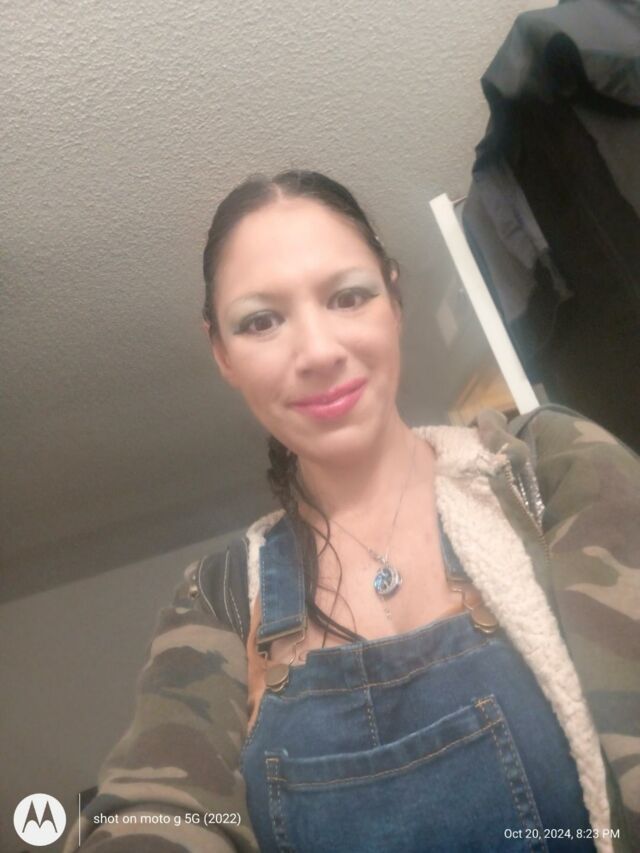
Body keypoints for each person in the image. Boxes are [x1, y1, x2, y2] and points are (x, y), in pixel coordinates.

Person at [64, 170, 639, 853]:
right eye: (261, 321)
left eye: (348, 297)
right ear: (221, 352)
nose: (317, 351)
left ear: (394, 300)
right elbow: (155, 810)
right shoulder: (219, 599)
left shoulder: (546, 470)